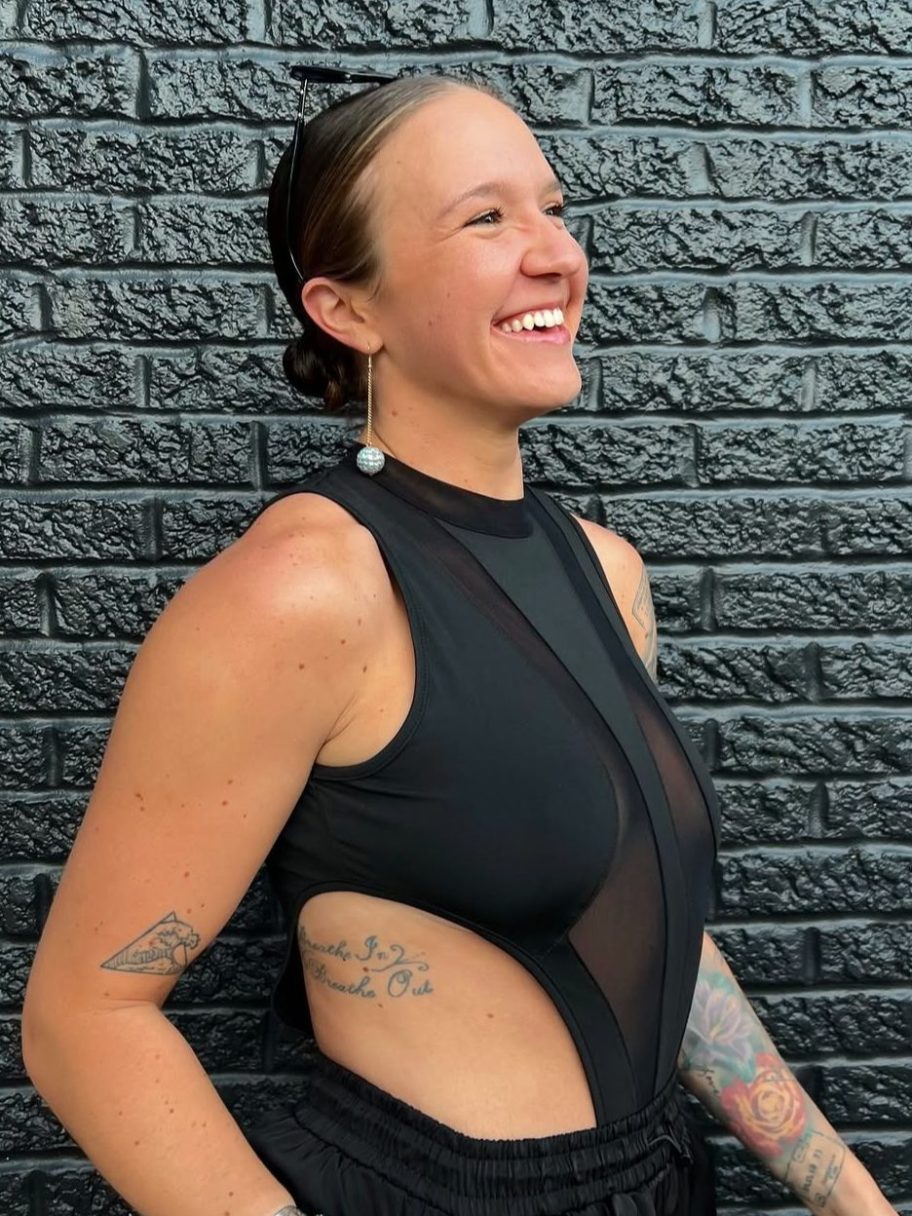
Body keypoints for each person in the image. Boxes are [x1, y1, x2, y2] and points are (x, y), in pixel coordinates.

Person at [20, 65, 897, 1216]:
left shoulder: (607, 571)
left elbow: (648, 940)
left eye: (554, 209)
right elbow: (85, 1018)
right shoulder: (309, 590)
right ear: (349, 310)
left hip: (661, 1177)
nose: (554, 254)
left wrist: (844, 1192)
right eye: (486, 217)